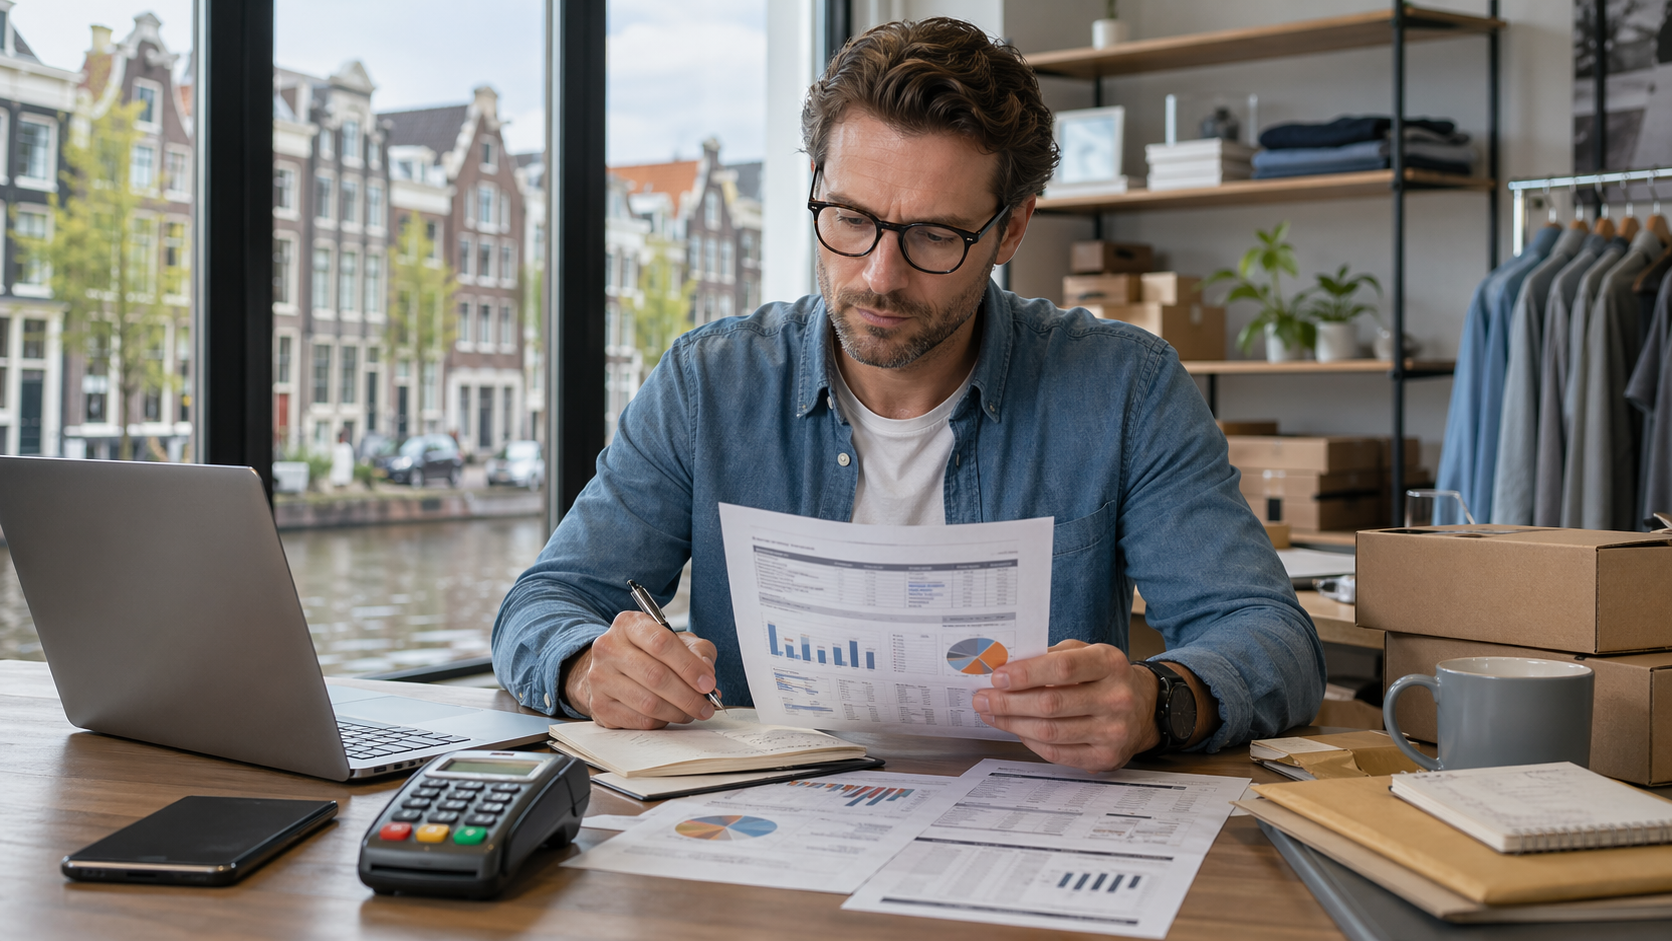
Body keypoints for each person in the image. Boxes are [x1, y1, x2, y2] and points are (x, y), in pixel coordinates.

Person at [493, 17, 1324, 771]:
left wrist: (1158, 701)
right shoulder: (710, 384)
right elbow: (543, 602)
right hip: (760, 834)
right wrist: (584, 666)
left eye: (933, 234)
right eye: (850, 219)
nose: (878, 276)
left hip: (1026, 837)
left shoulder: (1124, 389)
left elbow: (1271, 638)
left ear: (1012, 228)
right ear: (817, 184)